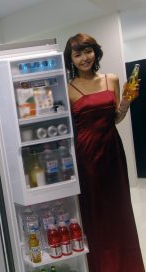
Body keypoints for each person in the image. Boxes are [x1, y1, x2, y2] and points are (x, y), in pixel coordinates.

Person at [64, 33, 145, 272]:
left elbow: (115, 119)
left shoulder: (112, 79)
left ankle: (126, 264)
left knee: (119, 209)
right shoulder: (68, 88)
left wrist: (127, 102)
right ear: (71, 59)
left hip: (112, 152)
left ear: (95, 52)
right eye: (77, 54)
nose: (84, 58)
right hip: (86, 156)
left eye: (87, 51)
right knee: (95, 212)